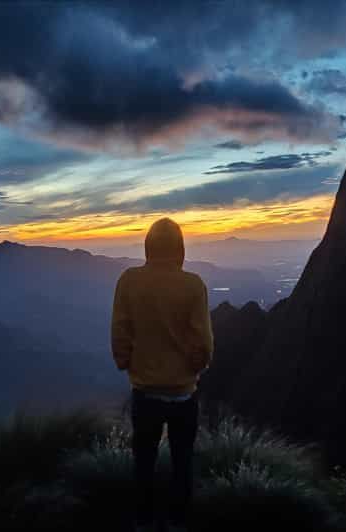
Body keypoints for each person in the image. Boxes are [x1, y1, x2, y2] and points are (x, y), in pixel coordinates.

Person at [111, 217, 214, 532]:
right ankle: (178, 522)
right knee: (182, 462)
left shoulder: (128, 280)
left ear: (148, 247)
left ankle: (143, 520)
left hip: (144, 391)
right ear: (180, 248)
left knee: (144, 461)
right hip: (183, 393)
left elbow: (120, 333)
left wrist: (127, 363)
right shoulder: (193, 284)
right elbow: (203, 343)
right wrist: (193, 369)